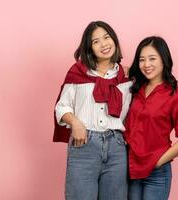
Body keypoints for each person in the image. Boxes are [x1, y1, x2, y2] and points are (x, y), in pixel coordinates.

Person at [53, 21, 132, 200]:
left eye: (106, 37)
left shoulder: (128, 78)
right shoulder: (78, 72)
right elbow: (62, 106)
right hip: (84, 145)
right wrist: (75, 122)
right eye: (96, 41)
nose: (104, 44)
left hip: (117, 148)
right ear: (89, 48)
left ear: (114, 40)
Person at [124, 36, 178, 200]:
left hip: (157, 173)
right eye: (142, 59)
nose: (146, 64)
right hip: (131, 169)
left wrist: (158, 161)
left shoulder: (176, 96)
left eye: (152, 58)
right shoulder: (135, 88)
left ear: (164, 59)